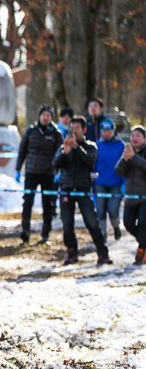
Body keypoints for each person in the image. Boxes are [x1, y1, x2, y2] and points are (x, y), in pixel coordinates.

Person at [53, 116, 112, 265]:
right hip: (66, 189)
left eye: (77, 128)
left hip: (83, 189)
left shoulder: (90, 146)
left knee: (92, 222)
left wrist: (76, 147)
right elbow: (55, 163)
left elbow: (88, 160)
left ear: (84, 130)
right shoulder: (64, 146)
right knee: (67, 223)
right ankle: (71, 252)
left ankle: (102, 253)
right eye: (71, 128)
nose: (73, 131)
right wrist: (65, 152)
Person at [15, 105, 63, 244]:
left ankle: (45, 234)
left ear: (51, 117)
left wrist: (58, 171)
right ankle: (25, 230)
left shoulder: (56, 134)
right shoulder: (30, 131)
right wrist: (18, 169)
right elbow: (22, 150)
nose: (45, 117)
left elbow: (60, 154)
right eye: (44, 115)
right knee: (28, 201)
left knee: (48, 204)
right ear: (39, 116)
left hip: (48, 174)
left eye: (48, 115)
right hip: (31, 172)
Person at [115, 126, 146, 264]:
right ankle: (144, 242)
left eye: (138, 135)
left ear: (144, 138)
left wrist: (135, 158)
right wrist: (125, 160)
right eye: (132, 135)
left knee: (143, 223)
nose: (134, 138)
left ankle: (142, 251)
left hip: (144, 197)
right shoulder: (127, 153)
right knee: (128, 223)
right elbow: (118, 171)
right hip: (130, 196)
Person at [95, 119, 125, 242]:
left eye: (109, 131)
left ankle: (116, 227)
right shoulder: (97, 145)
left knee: (113, 210)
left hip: (116, 183)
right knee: (100, 211)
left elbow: (125, 165)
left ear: (114, 131)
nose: (107, 133)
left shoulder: (121, 145)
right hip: (99, 183)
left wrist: (124, 183)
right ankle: (103, 234)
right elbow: (93, 165)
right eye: (104, 131)